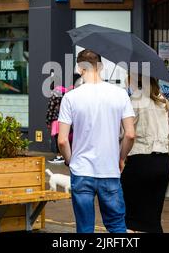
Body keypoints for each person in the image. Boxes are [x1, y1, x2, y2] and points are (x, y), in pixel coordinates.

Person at [57, 49, 135, 233]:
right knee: (116, 226)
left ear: (79, 68)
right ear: (101, 67)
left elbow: (62, 140)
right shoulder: (120, 94)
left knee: (84, 229)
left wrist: (70, 160)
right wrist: (121, 158)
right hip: (109, 170)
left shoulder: (70, 97)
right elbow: (130, 134)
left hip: (82, 170)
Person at [121, 75, 169, 233]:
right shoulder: (163, 101)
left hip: (140, 162)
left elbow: (127, 135)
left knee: (132, 219)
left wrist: (121, 157)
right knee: (153, 218)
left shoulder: (133, 102)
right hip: (163, 163)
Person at [46, 74, 81, 164]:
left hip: (56, 119)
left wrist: (48, 120)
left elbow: (51, 108)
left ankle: (60, 155)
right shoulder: (66, 91)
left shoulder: (55, 92)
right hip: (67, 119)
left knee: (58, 137)